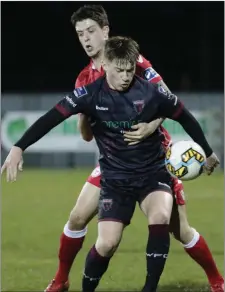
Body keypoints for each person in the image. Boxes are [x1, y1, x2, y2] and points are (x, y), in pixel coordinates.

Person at [1, 36, 220, 292]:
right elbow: (52, 118)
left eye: (129, 70)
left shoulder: (152, 93)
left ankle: (150, 289)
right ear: (105, 65)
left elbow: (186, 118)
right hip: (115, 180)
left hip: (152, 173)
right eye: (119, 71)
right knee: (106, 244)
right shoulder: (89, 95)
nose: (126, 76)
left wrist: (208, 152)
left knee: (161, 216)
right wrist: (19, 146)